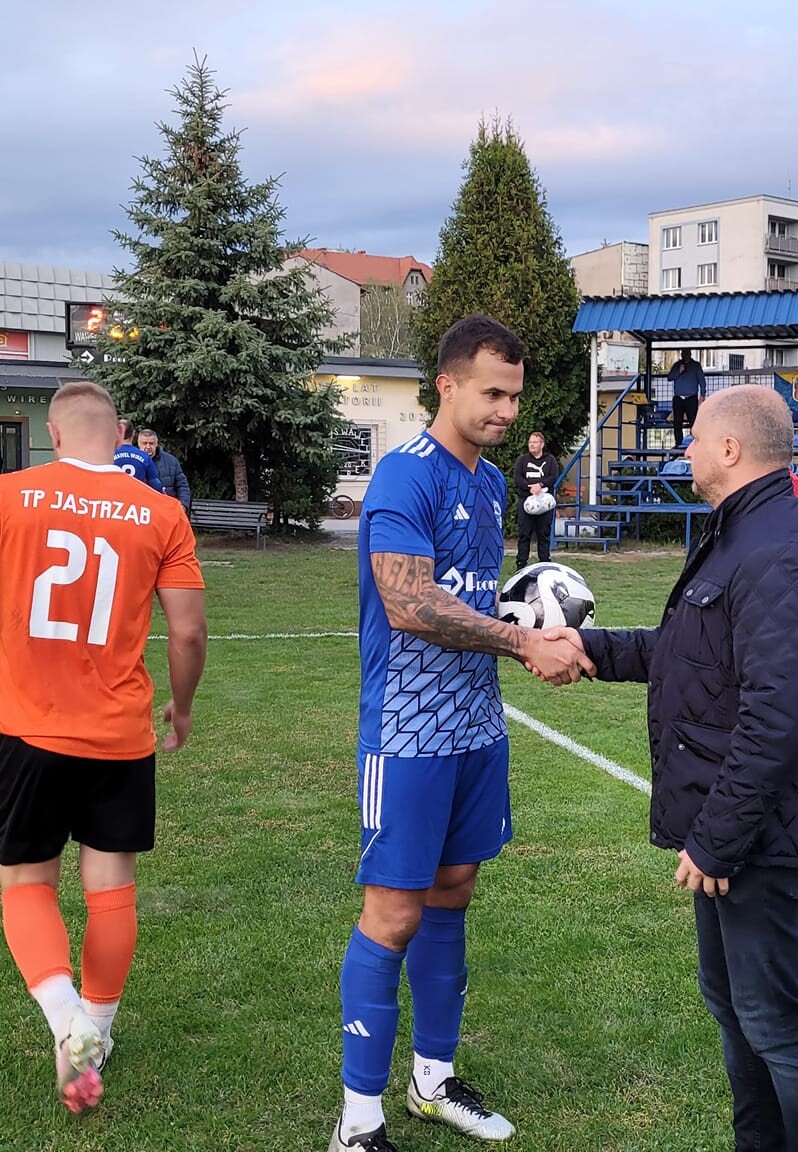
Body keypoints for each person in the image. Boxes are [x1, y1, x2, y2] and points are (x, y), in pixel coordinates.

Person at [545, 384, 798, 1152]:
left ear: (730, 450)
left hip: (757, 840)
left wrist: (716, 841)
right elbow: (686, 655)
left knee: (775, 1023)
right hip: (736, 833)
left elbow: (777, 720)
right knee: (736, 1008)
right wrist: (594, 649)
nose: (683, 449)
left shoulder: (776, 551)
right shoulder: (739, 536)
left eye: (694, 439)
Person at [330, 314, 589, 1152]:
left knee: (454, 895)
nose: (509, 410)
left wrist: (523, 618)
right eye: (493, 393)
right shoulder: (404, 477)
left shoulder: (488, 483)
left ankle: (431, 1083)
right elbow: (408, 603)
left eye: (515, 395)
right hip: (406, 732)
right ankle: (357, 1123)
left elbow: (479, 597)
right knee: (393, 915)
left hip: (477, 725)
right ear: (446, 384)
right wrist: (520, 640)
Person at [0, 380, 207, 1114]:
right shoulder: (161, 511)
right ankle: (96, 1029)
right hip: (120, 733)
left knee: (25, 884)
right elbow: (186, 631)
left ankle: (66, 1022)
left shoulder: (9, 495)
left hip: (26, 728)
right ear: (120, 432)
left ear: (54, 435)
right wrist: (181, 711)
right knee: (109, 886)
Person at [512, 430, 560, 568]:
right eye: (530, 442)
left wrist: (540, 485)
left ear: (542, 444)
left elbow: (552, 477)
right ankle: (521, 564)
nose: (532, 445)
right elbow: (518, 478)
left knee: (543, 534)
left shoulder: (550, 460)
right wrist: (530, 487)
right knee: (524, 533)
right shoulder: (522, 460)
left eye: (535, 442)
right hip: (525, 501)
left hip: (544, 502)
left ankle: (544, 562)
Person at [137, 428, 191, 512]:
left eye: (151, 443)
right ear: (138, 444)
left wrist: (183, 504)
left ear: (156, 444)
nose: (148, 447)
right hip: (141, 510)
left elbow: (182, 485)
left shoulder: (171, 461)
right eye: (144, 443)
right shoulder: (132, 462)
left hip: (166, 510)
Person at [666, 348, 706, 448]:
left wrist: (702, 395)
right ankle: (678, 443)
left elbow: (702, 381)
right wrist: (679, 371)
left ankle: (694, 443)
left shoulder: (695, 366)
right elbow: (670, 377)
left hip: (691, 398)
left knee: (693, 421)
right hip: (678, 398)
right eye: (683, 353)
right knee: (677, 422)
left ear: (690, 354)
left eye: (686, 353)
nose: (684, 355)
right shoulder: (677, 365)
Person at [114, 419, 163, 493]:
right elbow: (156, 485)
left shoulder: (107, 456)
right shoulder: (144, 456)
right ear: (133, 433)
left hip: (115, 501)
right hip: (138, 501)